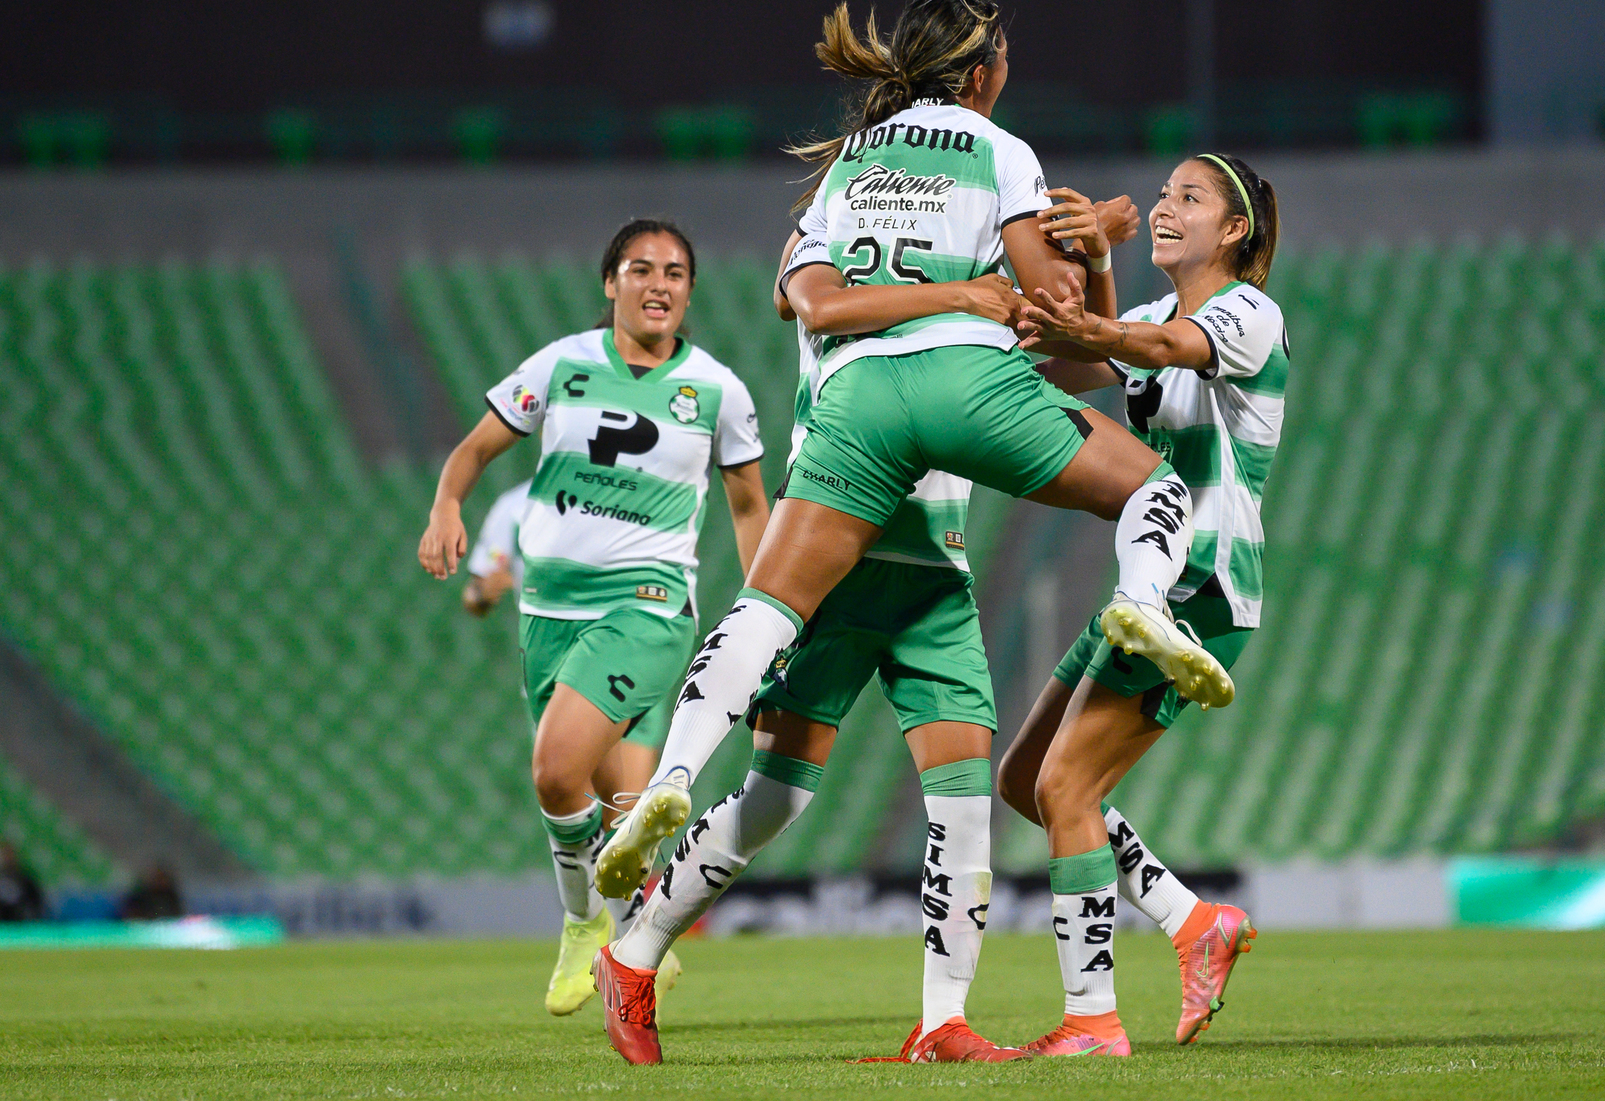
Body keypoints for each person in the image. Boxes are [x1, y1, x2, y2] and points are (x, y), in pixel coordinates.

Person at [592, 0, 1224, 1062]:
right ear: (979, 75)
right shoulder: (987, 162)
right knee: (805, 795)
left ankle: (937, 1023)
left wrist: (1046, 275)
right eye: (1004, 56)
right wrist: (1066, 268)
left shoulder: (847, 179)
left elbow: (839, 303)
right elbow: (1051, 335)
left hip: (909, 531)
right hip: (876, 509)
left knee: (930, 790)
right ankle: (637, 945)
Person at [600, 203, 1136, 1066]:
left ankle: (942, 1022)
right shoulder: (845, 270)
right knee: (777, 798)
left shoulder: (974, 292)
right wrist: (977, 288)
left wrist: (1090, 261)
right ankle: (633, 953)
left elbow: (1090, 364)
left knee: (963, 803)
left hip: (933, 571)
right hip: (834, 561)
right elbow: (802, 297)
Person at [418, 217, 769, 1019]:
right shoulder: (561, 365)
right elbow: (473, 450)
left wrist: (767, 614)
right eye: (641, 269)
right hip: (547, 613)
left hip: (648, 606)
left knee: (553, 771)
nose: (658, 284)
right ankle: (637, 947)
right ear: (611, 283)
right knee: (616, 815)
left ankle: (581, 926)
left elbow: (751, 507)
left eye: (674, 272)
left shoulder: (717, 390)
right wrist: (445, 506)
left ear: (689, 293)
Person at [996, 152, 1285, 1055]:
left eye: (1188, 198)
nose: (1165, 207)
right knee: (1024, 781)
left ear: (1232, 231)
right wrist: (1067, 282)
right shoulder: (1154, 313)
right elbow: (1075, 363)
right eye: (1162, 194)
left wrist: (1089, 319)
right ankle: (1195, 922)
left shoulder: (1248, 312)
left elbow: (1157, 350)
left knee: (1065, 787)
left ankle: (1092, 1019)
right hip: (1146, 590)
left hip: (1203, 588)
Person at [463, 479, 676, 873]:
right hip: (555, 672)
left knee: (623, 817)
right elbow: (475, 591)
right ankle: (596, 900)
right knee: (579, 809)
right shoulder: (515, 507)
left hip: (628, 657)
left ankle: (630, 901)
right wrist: (482, 593)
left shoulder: (628, 490)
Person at [0, 839, 46, 923]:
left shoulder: (24, 878)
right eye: (3, 854)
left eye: (9, 854)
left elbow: (36, 901)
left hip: (21, 924)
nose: (7, 858)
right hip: (0, 925)